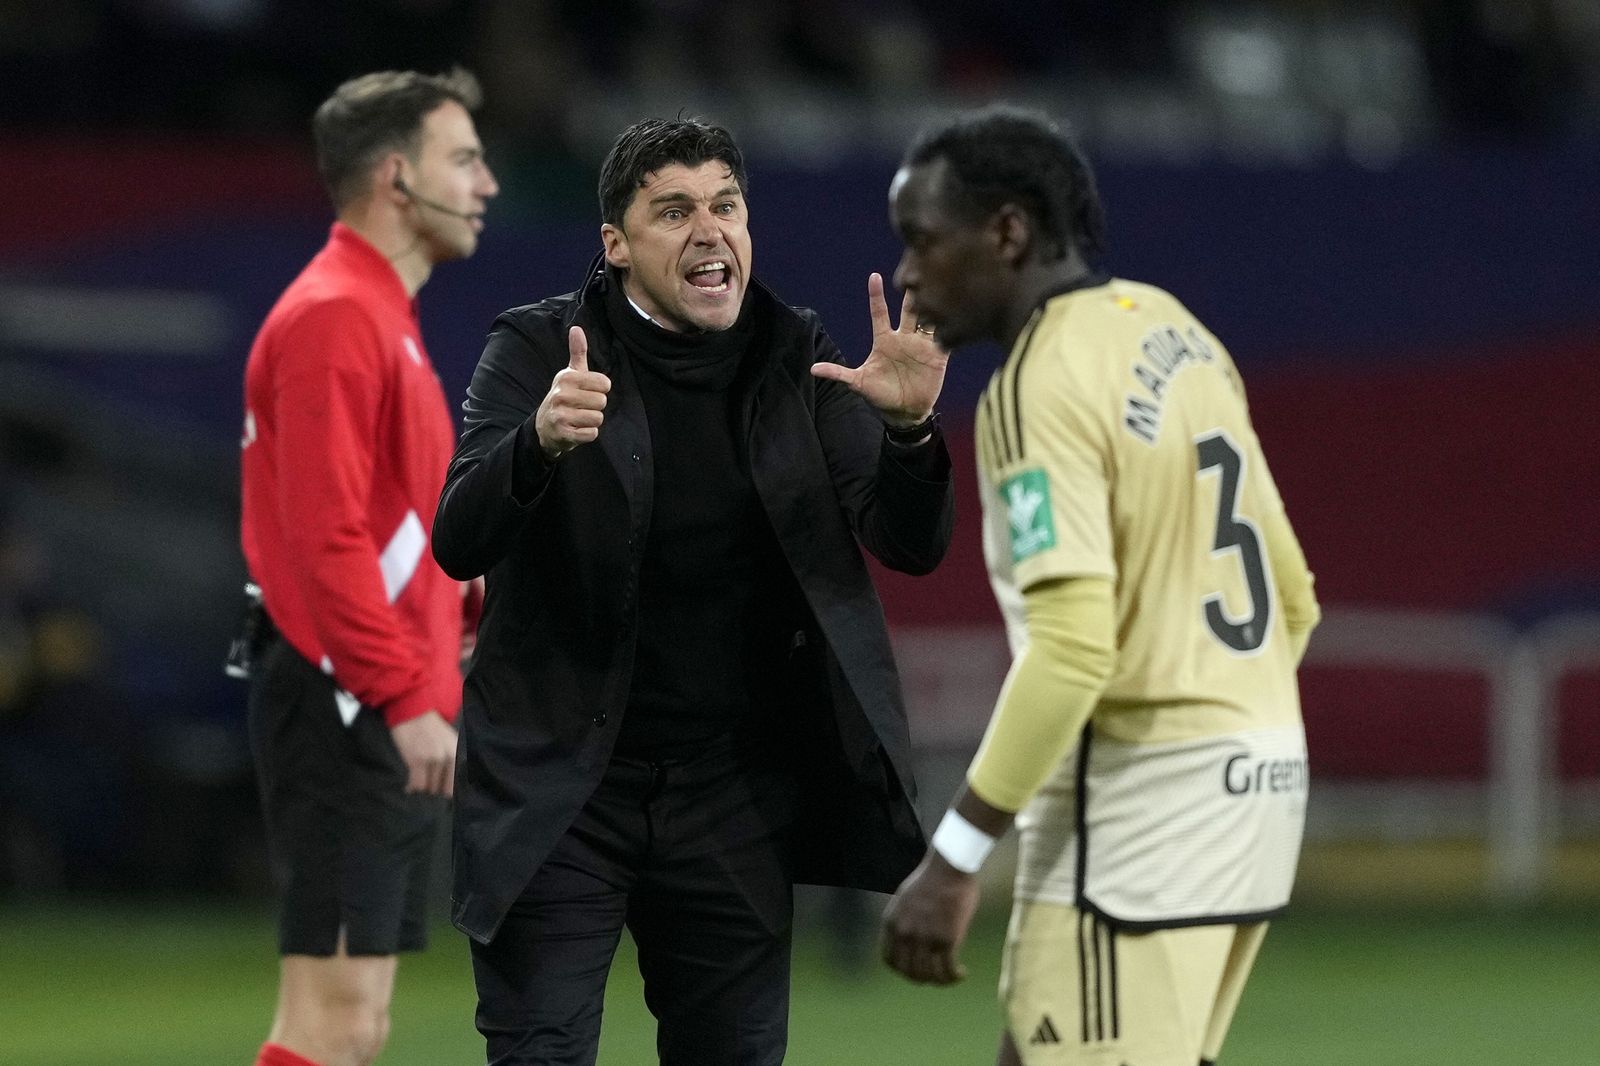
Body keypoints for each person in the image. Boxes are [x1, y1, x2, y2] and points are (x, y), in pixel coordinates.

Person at [431, 116, 955, 1065]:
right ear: (616, 244)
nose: (710, 230)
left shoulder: (797, 355)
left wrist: (912, 435)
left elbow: (908, 543)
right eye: (674, 211)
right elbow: (458, 540)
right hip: (562, 788)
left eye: (727, 206)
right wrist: (535, 444)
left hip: (731, 795)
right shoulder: (538, 347)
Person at [878, 106, 1320, 1066]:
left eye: (923, 239)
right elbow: (1294, 598)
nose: (907, 272)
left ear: (1007, 231)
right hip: (1260, 790)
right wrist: (1225, 741)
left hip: (1140, 816)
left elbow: (1074, 650)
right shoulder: (1175, 330)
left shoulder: (1040, 383)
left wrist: (954, 858)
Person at [237, 68, 498, 1066]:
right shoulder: (338, 314)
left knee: (356, 1024)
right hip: (344, 698)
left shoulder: (374, 311)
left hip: (362, 696)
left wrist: (462, 612)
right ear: (397, 176)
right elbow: (325, 534)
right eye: (463, 160)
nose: (486, 184)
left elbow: (392, 529)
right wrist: (399, 692)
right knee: (332, 1021)